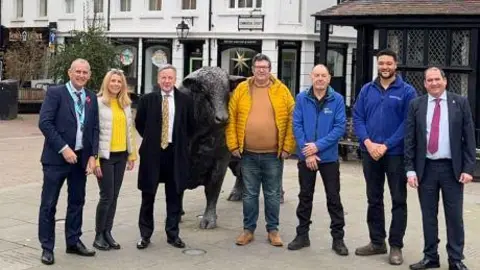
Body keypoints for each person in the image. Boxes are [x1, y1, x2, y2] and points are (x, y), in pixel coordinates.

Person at [405, 67, 476, 270]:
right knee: (428, 215)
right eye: (429, 80)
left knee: (454, 216)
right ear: (424, 83)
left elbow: (469, 138)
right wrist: (410, 170)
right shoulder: (416, 105)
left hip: (451, 169)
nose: (434, 83)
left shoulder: (460, 103)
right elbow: (410, 139)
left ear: (445, 81)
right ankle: (430, 257)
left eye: (437, 79)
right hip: (425, 168)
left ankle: (455, 258)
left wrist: (469, 168)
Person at [352, 49, 417, 265]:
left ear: (395, 65)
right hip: (370, 153)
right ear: (377, 65)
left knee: (398, 200)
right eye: (381, 63)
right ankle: (377, 241)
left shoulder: (407, 91)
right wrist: (369, 143)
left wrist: (386, 145)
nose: (385, 67)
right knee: (374, 198)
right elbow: (358, 117)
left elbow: (408, 123)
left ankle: (396, 246)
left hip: (395, 154)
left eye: (389, 63)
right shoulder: (366, 90)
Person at [226, 53, 296, 247]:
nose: (261, 71)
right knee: (249, 194)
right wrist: (232, 144)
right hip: (247, 153)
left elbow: (292, 118)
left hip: (273, 154)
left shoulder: (281, 90)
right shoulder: (241, 89)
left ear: (269, 69)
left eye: (265, 67)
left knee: (273, 194)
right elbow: (231, 117)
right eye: (258, 67)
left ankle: (273, 230)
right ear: (253, 69)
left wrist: (288, 146)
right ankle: (248, 230)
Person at [38, 58, 99, 265]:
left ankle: (73, 241)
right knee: (49, 204)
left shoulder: (91, 97)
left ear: (89, 75)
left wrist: (92, 155)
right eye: (78, 72)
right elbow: (45, 123)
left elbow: (94, 129)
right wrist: (64, 149)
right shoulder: (56, 93)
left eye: (85, 72)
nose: (81, 75)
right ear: (69, 72)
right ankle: (47, 247)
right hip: (56, 159)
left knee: (77, 202)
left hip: (81, 159)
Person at [287, 64, 348, 256]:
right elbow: (297, 125)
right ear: (311, 77)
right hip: (307, 157)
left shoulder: (337, 99)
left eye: (323, 75)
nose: (320, 79)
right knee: (305, 197)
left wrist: (317, 147)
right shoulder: (301, 98)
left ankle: (338, 239)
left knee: (334, 198)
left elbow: (339, 128)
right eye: (316, 75)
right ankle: (302, 235)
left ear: (329, 78)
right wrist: (308, 152)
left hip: (328, 158)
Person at [135, 64, 194, 250]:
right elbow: (140, 124)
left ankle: (173, 234)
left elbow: (191, 126)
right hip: (153, 154)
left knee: (175, 195)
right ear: (158, 79)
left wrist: (181, 144)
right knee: (148, 196)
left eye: (170, 78)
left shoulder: (185, 100)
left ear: (174, 79)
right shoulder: (147, 100)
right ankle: (145, 235)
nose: (167, 81)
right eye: (163, 78)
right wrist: (153, 139)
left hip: (175, 154)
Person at [92, 69, 137, 250]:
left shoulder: (125, 104)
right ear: (107, 83)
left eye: (119, 81)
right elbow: (93, 134)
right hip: (105, 157)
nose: (116, 84)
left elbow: (130, 132)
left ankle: (107, 232)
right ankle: (98, 235)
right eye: (113, 81)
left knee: (115, 196)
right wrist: (94, 161)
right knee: (106, 196)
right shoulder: (98, 103)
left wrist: (132, 155)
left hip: (121, 155)